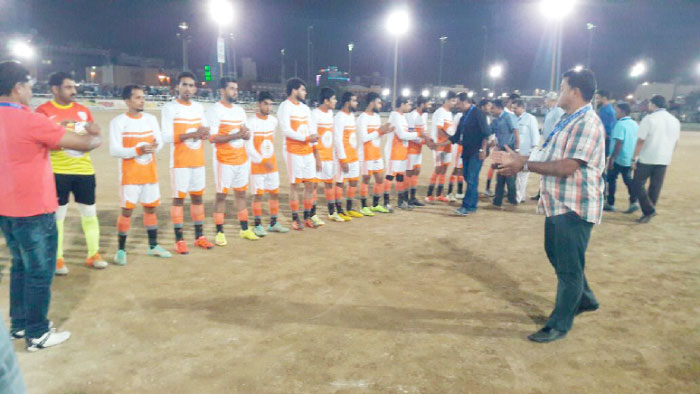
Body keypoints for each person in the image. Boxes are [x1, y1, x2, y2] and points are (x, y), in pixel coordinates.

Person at [498, 68, 605, 343]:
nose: (558, 93)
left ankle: (559, 324)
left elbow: (568, 166)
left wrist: (524, 165)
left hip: (575, 206)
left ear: (575, 92)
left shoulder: (587, 124)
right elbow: (549, 155)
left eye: (561, 87)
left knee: (569, 269)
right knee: (556, 255)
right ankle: (586, 298)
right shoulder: (570, 120)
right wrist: (520, 162)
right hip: (557, 204)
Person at [1, 61, 101, 351]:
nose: (32, 91)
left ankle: (19, 325)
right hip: (34, 209)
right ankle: (37, 332)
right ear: (18, 87)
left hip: (6, 209)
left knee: (20, 267)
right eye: (29, 85)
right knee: (39, 273)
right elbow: (81, 144)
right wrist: (96, 135)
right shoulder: (30, 119)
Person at [36, 72, 108, 274]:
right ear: (55, 89)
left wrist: (68, 126)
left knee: (90, 214)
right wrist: (78, 128)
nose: (74, 91)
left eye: (74, 86)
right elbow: (46, 136)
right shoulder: (43, 110)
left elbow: (95, 130)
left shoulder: (83, 110)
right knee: (58, 217)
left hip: (84, 170)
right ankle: (57, 258)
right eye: (68, 87)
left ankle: (93, 254)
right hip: (57, 171)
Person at [109, 85, 172, 265]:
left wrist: (153, 147)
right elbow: (114, 150)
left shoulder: (151, 119)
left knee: (151, 208)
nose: (142, 100)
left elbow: (159, 143)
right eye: (137, 98)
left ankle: (153, 246)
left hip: (150, 173)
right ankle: (121, 250)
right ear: (127, 101)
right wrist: (138, 149)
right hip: (130, 175)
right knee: (127, 211)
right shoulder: (118, 122)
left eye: (143, 97)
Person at [161, 71, 213, 254]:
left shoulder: (198, 107)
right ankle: (179, 240)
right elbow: (166, 137)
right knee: (179, 200)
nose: (188, 88)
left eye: (191, 85)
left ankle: (200, 236)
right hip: (180, 162)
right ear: (177, 87)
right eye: (184, 84)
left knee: (198, 198)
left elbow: (205, 129)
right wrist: (193, 134)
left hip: (198, 160)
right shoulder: (169, 108)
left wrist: (206, 133)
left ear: (196, 88)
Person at [208, 77, 260, 242]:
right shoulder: (215, 110)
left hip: (241, 158)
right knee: (221, 196)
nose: (235, 92)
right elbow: (213, 137)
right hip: (224, 160)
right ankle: (219, 232)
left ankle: (244, 229)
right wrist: (237, 135)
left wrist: (246, 134)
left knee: (241, 194)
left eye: (236, 89)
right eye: (231, 88)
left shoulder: (239, 110)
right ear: (222, 91)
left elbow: (244, 131)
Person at [631, 94, 680, 223]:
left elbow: (641, 140)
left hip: (647, 157)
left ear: (653, 104)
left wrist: (633, 158)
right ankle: (649, 211)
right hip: (664, 158)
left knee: (637, 184)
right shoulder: (674, 120)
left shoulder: (649, 119)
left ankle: (648, 210)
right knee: (655, 186)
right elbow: (676, 142)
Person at [277, 78, 319, 230]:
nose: (305, 92)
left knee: (310, 184)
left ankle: (307, 216)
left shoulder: (305, 108)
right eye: (302, 89)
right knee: (295, 186)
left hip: (307, 150)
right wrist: (306, 138)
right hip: (292, 150)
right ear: (294, 90)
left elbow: (312, 129)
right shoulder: (285, 106)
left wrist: (314, 146)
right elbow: (286, 130)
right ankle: (295, 218)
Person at [248, 91, 290, 235]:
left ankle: (273, 222)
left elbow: (270, 142)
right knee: (258, 195)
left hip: (271, 164)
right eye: (265, 103)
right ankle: (258, 224)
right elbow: (249, 146)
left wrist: (268, 160)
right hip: (257, 165)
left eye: (271, 104)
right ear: (259, 104)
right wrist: (261, 161)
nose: (268, 107)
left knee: (274, 193)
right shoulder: (251, 122)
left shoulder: (273, 121)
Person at [449, 95, 490, 215]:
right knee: (468, 177)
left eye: (459, 104)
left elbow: (486, 133)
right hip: (466, 150)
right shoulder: (463, 117)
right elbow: (456, 136)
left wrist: (483, 150)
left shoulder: (478, 114)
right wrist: (439, 144)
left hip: (477, 152)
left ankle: (466, 206)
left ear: (466, 102)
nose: (457, 106)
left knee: (471, 178)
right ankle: (473, 204)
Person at [312, 87, 347, 222]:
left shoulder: (330, 114)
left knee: (329, 184)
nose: (335, 101)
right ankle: (313, 214)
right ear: (326, 100)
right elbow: (313, 137)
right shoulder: (315, 114)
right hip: (318, 157)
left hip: (329, 156)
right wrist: (317, 158)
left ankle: (332, 212)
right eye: (333, 98)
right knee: (314, 185)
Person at [357, 92, 392, 215]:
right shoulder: (362, 118)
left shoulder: (377, 117)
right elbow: (364, 138)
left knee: (379, 178)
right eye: (378, 102)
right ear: (371, 103)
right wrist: (379, 131)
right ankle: (363, 206)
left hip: (376, 152)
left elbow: (377, 135)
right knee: (366, 179)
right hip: (366, 154)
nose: (380, 105)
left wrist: (385, 131)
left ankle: (375, 205)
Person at [384, 96, 419, 210]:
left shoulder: (402, 117)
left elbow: (406, 134)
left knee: (400, 177)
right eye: (408, 104)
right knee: (390, 176)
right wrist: (418, 135)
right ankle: (386, 202)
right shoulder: (395, 116)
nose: (410, 106)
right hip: (393, 151)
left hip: (402, 151)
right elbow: (402, 135)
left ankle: (401, 201)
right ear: (402, 104)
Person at [333, 92, 364, 219]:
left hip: (353, 155)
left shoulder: (351, 116)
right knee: (340, 183)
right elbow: (338, 139)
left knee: (354, 181)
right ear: (347, 102)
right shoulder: (339, 117)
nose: (356, 103)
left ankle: (349, 208)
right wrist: (343, 159)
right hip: (344, 157)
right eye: (354, 101)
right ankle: (339, 210)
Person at [604, 102, 639, 213]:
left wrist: (612, 159)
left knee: (611, 179)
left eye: (617, 111)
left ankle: (610, 203)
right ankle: (634, 201)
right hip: (629, 157)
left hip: (619, 158)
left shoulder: (620, 124)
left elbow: (619, 142)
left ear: (622, 112)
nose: (615, 113)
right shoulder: (634, 124)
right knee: (628, 180)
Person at [531, 91, 566, 201]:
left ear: (552, 100)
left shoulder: (558, 111)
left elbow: (560, 126)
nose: (545, 101)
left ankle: (547, 193)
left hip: (553, 144)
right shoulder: (550, 111)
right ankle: (541, 192)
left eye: (546, 99)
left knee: (549, 169)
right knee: (544, 169)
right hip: (547, 143)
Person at [426, 91, 457, 203]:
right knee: (438, 168)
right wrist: (450, 138)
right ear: (447, 100)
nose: (454, 103)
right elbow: (439, 129)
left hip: (448, 145)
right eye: (453, 101)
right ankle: (429, 194)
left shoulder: (449, 114)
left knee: (444, 169)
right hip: (439, 144)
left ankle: (439, 194)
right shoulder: (440, 112)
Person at [489, 99, 520, 209]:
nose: (491, 110)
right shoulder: (496, 120)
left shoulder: (509, 117)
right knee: (500, 175)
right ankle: (497, 201)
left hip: (509, 149)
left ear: (498, 108)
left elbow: (516, 132)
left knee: (509, 176)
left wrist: (516, 150)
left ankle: (512, 201)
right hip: (500, 150)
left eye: (492, 108)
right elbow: (488, 131)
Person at [512, 99, 540, 203]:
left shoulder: (530, 119)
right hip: (516, 152)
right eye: (513, 108)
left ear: (522, 108)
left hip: (526, 152)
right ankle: (521, 196)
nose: (513, 110)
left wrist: (532, 151)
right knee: (517, 176)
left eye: (515, 108)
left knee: (522, 176)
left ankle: (517, 198)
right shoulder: (513, 118)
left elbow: (535, 136)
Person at [406, 95, 430, 206]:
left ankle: (412, 197)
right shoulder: (412, 116)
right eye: (428, 104)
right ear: (422, 104)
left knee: (416, 171)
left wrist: (427, 140)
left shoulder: (423, 115)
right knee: (409, 173)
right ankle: (405, 198)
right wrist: (424, 141)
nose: (429, 106)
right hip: (411, 149)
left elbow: (423, 132)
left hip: (418, 149)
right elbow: (411, 134)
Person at [596, 90, 616, 157]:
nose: (596, 100)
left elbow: (607, 129)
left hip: (604, 140)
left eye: (598, 98)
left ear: (604, 98)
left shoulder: (607, 111)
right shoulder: (603, 109)